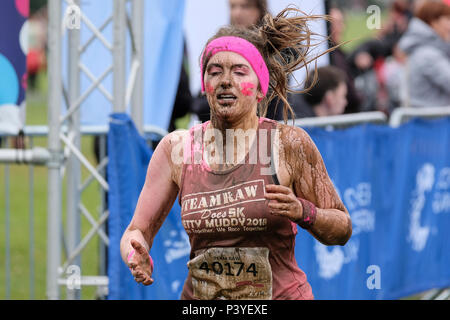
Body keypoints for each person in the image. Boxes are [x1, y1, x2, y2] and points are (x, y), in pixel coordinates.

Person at [120, 7, 352, 300]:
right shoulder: (177, 149)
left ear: (259, 88)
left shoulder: (287, 144)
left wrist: (304, 212)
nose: (225, 81)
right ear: (205, 86)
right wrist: (134, 251)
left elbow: (342, 228)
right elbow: (136, 231)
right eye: (215, 72)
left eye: (239, 71)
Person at [398, 0, 450, 108]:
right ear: (433, 22)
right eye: (448, 19)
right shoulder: (428, 55)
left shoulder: (423, 50)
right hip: (434, 120)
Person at [328, 7, 362, 114]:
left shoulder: (338, 53)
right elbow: (351, 95)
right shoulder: (333, 56)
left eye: (342, 23)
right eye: (337, 23)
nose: (342, 27)